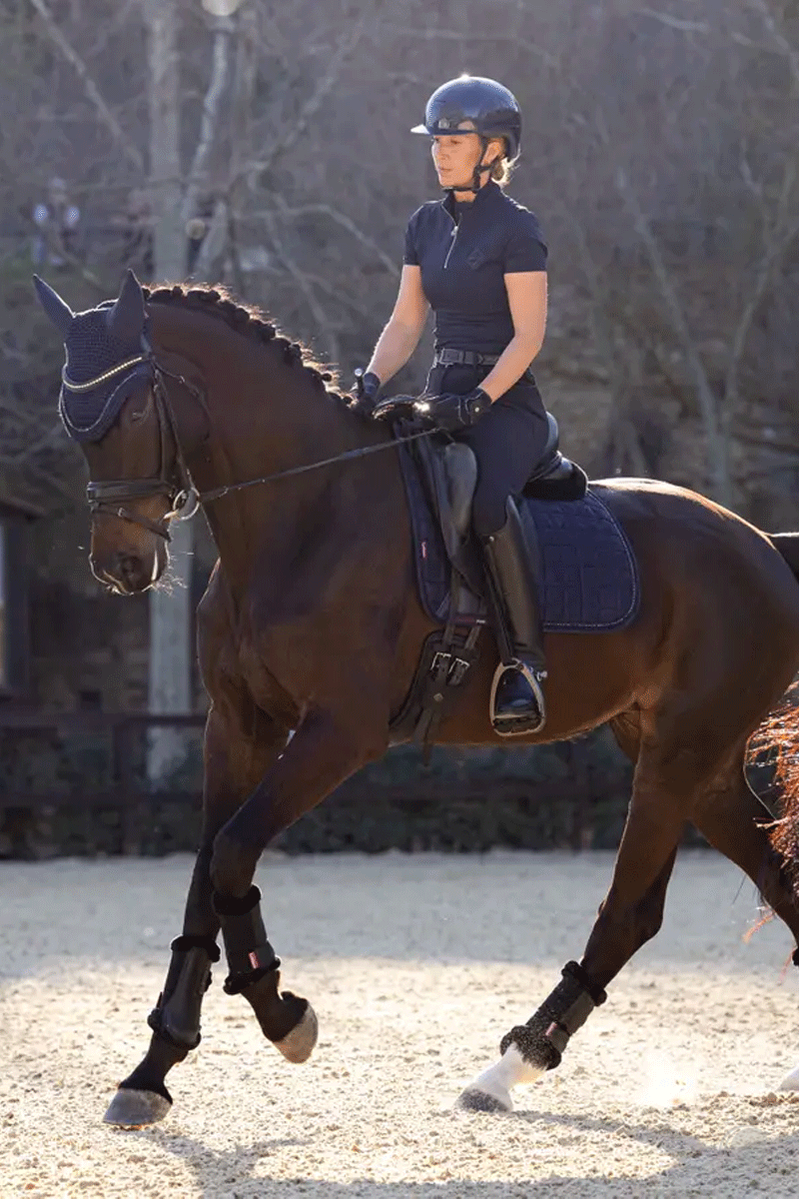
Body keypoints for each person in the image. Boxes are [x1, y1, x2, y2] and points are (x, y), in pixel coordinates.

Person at [351, 75, 551, 735]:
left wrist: (482, 399)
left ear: (493, 147)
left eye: (455, 139)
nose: (440, 151)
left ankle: (523, 664)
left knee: (487, 504)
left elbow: (529, 335)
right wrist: (372, 382)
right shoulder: (423, 225)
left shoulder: (517, 230)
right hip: (440, 395)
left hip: (505, 403)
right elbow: (406, 322)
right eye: (435, 139)